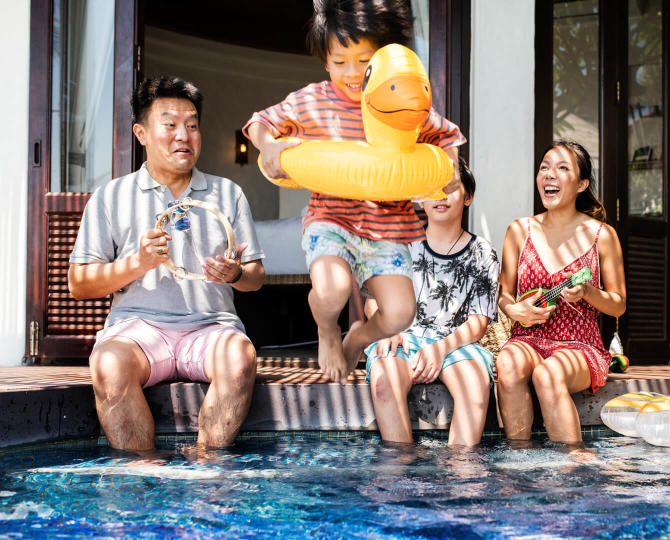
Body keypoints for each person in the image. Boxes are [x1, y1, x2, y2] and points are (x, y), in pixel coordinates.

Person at [244, 0, 464, 384]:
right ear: (325, 61)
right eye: (340, 60)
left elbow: (447, 135)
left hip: (388, 227)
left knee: (399, 313)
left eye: (363, 61)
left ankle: (358, 336)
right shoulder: (314, 100)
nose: (351, 72)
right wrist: (270, 146)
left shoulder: (397, 101)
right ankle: (328, 330)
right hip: (332, 218)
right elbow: (260, 122)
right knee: (332, 291)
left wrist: (450, 169)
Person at [68, 76, 265, 451]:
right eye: (170, 125)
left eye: (192, 125)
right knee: (109, 364)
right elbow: (79, 284)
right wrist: (138, 263)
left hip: (210, 328)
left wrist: (236, 273)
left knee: (240, 358)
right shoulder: (112, 196)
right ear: (141, 133)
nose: (183, 136)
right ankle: (144, 472)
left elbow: (255, 278)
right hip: (138, 331)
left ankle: (206, 468)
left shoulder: (228, 193)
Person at [496, 140, 626, 445]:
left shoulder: (602, 236)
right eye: (544, 168)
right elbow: (504, 294)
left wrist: (589, 293)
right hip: (527, 338)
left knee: (548, 374)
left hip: (580, 344)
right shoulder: (519, 230)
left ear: (582, 184)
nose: (549, 175)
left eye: (562, 168)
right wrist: (515, 310)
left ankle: (574, 469)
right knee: (508, 363)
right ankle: (519, 461)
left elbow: (618, 305)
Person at [364, 159, 498, 447]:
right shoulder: (399, 245)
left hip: (457, 343)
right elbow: (374, 302)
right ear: (420, 199)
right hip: (402, 335)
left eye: (450, 187)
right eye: (433, 188)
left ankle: (461, 476)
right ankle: (400, 475)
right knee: (384, 381)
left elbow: (479, 321)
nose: (440, 195)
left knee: (474, 385)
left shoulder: (482, 252)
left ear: (468, 196)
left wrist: (440, 349)